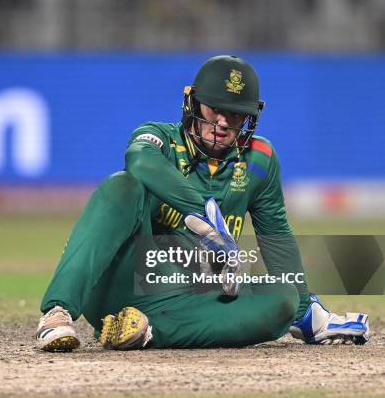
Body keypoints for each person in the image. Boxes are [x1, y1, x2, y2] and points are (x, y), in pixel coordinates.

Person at [35, 55, 370, 351]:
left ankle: (145, 332)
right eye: (215, 110)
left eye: (236, 115)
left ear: (249, 119)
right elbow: (139, 160)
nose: (223, 123)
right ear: (193, 104)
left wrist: (304, 311)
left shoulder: (260, 159)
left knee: (281, 298)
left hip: (191, 296)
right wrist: (203, 214)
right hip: (122, 281)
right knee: (121, 186)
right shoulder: (159, 139)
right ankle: (58, 312)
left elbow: (276, 237)